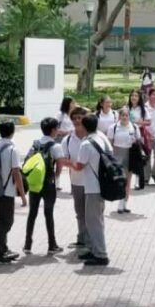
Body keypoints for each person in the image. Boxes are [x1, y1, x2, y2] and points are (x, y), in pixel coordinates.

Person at [74, 114, 111, 267]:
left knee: (93, 221)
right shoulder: (101, 138)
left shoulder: (86, 144)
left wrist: (66, 162)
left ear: (84, 126)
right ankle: (94, 249)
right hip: (101, 184)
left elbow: (79, 166)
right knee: (97, 220)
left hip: (92, 187)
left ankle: (101, 254)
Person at [0, 121, 27, 265]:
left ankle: (3, 249)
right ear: (12, 131)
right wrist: (22, 195)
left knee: (0, 221)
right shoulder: (12, 150)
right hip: (7, 191)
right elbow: (16, 173)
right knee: (7, 222)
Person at [24, 117, 64, 256]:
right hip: (48, 184)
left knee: (32, 213)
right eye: (57, 128)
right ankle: (51, 245)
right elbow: (59, 165)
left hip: (34, 184)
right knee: (49, 214)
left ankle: (27, 244)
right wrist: (56, 177)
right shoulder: (56, 146)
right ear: (53, 130)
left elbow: (27, 161)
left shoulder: (35, 144)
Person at [61, 107, 90, 253]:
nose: (77, 121)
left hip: (93, 183)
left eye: (80, 118)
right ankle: (82, 238)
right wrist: (75, 165)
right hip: (76, 181)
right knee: (80, 212)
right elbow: (62, 160)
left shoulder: (92, 137)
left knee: (92, 213)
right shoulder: (67, 140)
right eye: (75, 118)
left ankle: (92, 240)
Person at [110, 107, 140, 214]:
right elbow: (110, 143)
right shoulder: (113, 128)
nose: (124, 117)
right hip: (117, 155)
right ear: (119, 116)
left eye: (126, 115)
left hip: (129, 155)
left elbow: (138, 142)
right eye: (123, 115)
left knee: (127, 180)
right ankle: (120, 201)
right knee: (119, 180)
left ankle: (124, 203)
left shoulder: (135, 128)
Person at [55, 97, 75, 186]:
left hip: (72, 139)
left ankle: (73, 184)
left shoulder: (75, 114)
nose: (74, 104)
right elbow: (56, 129)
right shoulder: (60, 115)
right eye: (72, 103)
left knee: (72, 160)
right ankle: (57, 180)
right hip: (61, 139)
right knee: (60, 161)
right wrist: (66, 132)